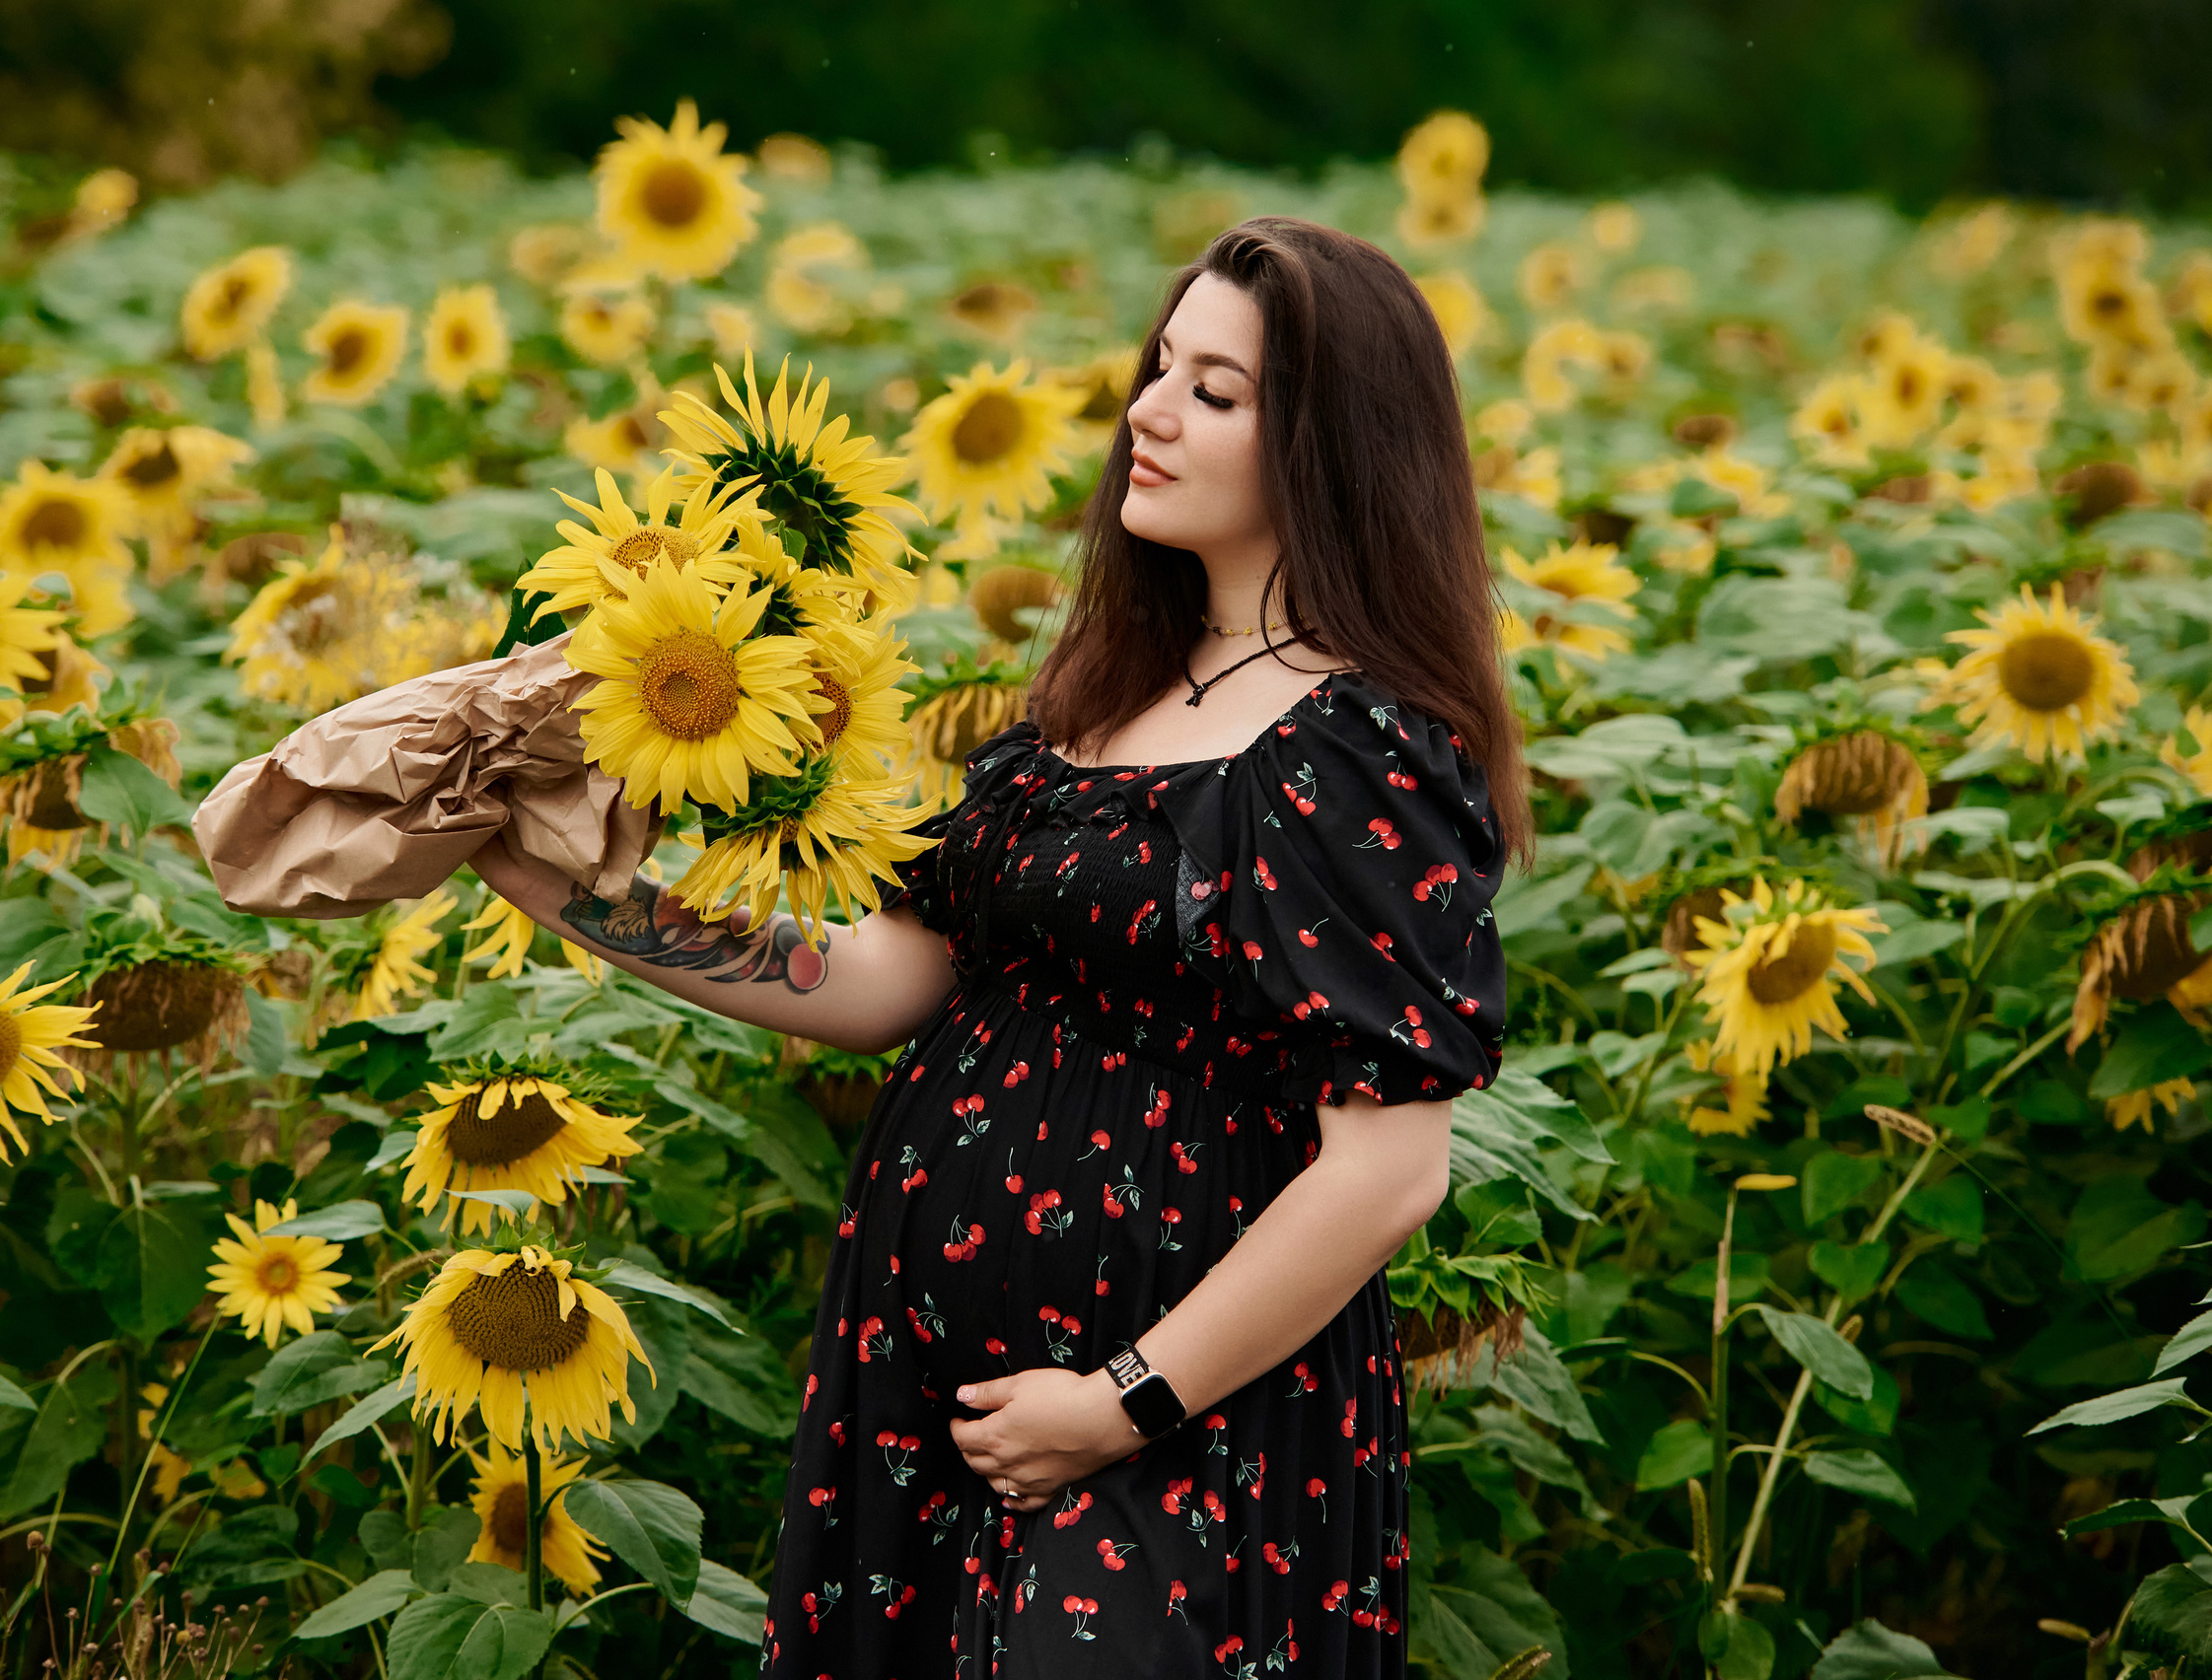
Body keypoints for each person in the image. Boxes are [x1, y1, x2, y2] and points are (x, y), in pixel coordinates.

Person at [467, 215, 1533, 1677]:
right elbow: (886, 978)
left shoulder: (1361, 752)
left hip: (1183, 1423)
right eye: (1161, 370)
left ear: (1333, 448)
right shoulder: (1090, 704)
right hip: (932, 1396)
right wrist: (560, 890)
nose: (1148, 416)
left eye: (1215, 393)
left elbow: (1390, 1171)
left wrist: (1122, 1403)